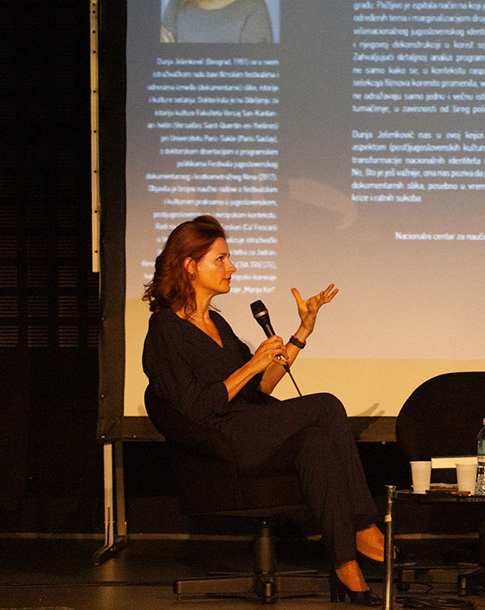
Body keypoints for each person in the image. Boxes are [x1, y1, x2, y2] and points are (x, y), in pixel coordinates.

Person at [142, 216, 384, 605]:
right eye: (220, 259)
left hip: (250, 428)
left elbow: (260, 388)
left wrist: (301, 333)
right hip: (223, 442)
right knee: (326, 405)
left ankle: (345, 566)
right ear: (190, 265)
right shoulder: (165, 330)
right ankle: (364, 527)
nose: (232, 267)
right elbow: (194, 407)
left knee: (316, 442)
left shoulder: (217, 322)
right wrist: (252, 364)